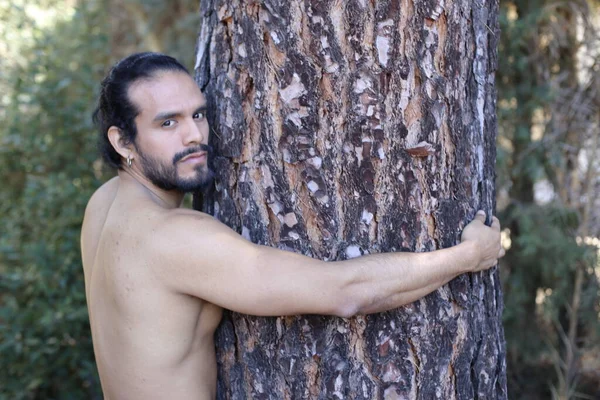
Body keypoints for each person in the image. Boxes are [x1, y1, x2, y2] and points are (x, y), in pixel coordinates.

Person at [81, 52, 505, 400]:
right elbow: (345, 293)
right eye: (168, 123)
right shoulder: (173, 237)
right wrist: (468, 255)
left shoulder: (103, 206)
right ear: (122, 142)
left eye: (199, 115)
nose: (194, 135)